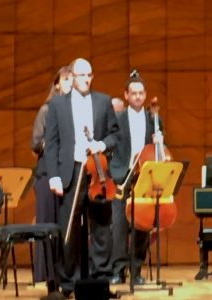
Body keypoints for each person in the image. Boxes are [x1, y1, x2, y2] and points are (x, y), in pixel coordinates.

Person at [45, 58, 119, 296]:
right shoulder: (58, 105)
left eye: (89, 75)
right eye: (81, 75)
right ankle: (69, 281)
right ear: (72, 77)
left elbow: (115, 136)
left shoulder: (103, 101)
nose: (86, 79)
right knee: (70, 230)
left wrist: (101, 144)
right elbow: (52, 144)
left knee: (101, 228)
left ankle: (100, 279)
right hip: (71, 171)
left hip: (96, 170)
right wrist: (53, 176)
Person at [108, 73, 164, 285]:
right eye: (134, 93)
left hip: (144, 177)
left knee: (142, 226)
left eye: (141, 93)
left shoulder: (153, 119)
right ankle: (118, 270)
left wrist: (159, 140)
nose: (138, 97)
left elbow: (160, 150)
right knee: (119, 225)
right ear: (126, 95)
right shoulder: (117, 119)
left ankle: (136, 269)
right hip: (123, 175)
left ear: (145, 95)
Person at [31, 65, 73, 286]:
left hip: (67, 176)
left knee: (66, 228)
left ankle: (66, 276)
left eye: (71, 80)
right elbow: (36, 144)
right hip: (48, 176)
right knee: (48, 226)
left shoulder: (75, 110)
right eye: (66, 80)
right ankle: (50, 279)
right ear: (57, 84)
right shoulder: (47, 110)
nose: (69, 83)